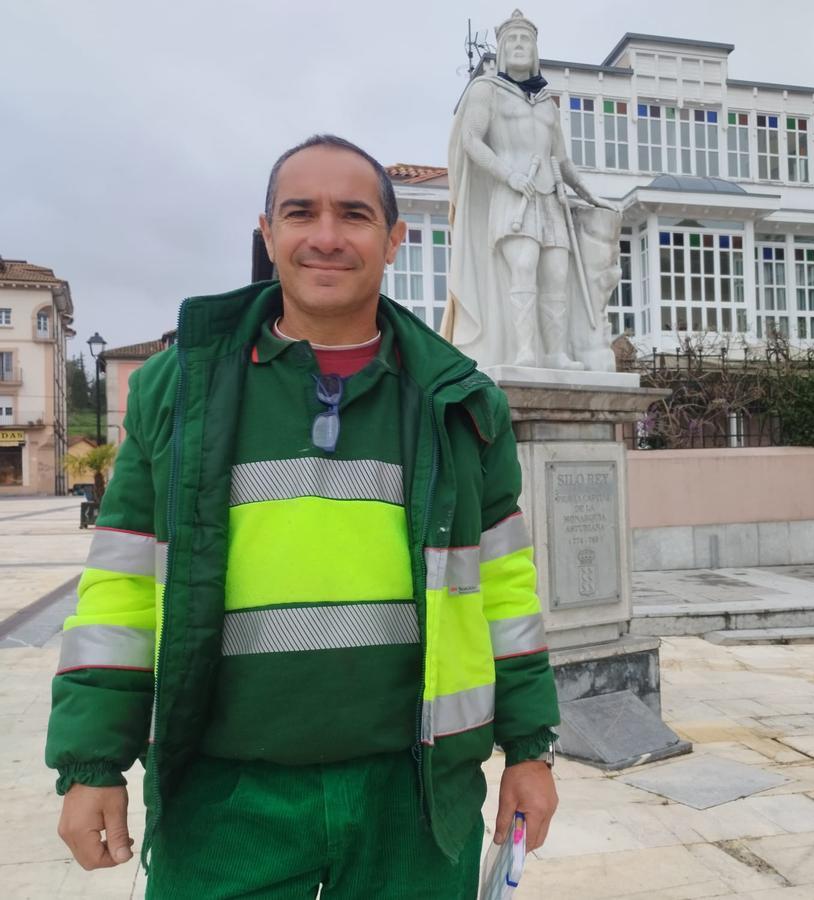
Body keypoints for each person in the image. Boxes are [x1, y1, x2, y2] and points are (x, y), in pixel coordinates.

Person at [46, 133, 561, 898]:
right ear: (268, 234)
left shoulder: (462, 404)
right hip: (224, 800)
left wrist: (529, 750)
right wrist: (92, 765)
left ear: (394, 240)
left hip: (413, 801)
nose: (325, 235)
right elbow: (118, 593)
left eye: (353, 215)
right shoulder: (178, 392)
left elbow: (506, 591)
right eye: (300, 213)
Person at [443, 8, 617, 371]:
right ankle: (524, 352)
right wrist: (508, 174)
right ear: (503, 48)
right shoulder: (486, 90)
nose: (521, 45)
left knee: (556, 274)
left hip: (550, 198)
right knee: (523, 266)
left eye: (527, 40)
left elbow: (562, 159)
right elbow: (472, 141)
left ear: (535, 49)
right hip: (513, 196)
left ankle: (554, 353)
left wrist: (588, 193)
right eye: (514, 40)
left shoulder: (547, 103)